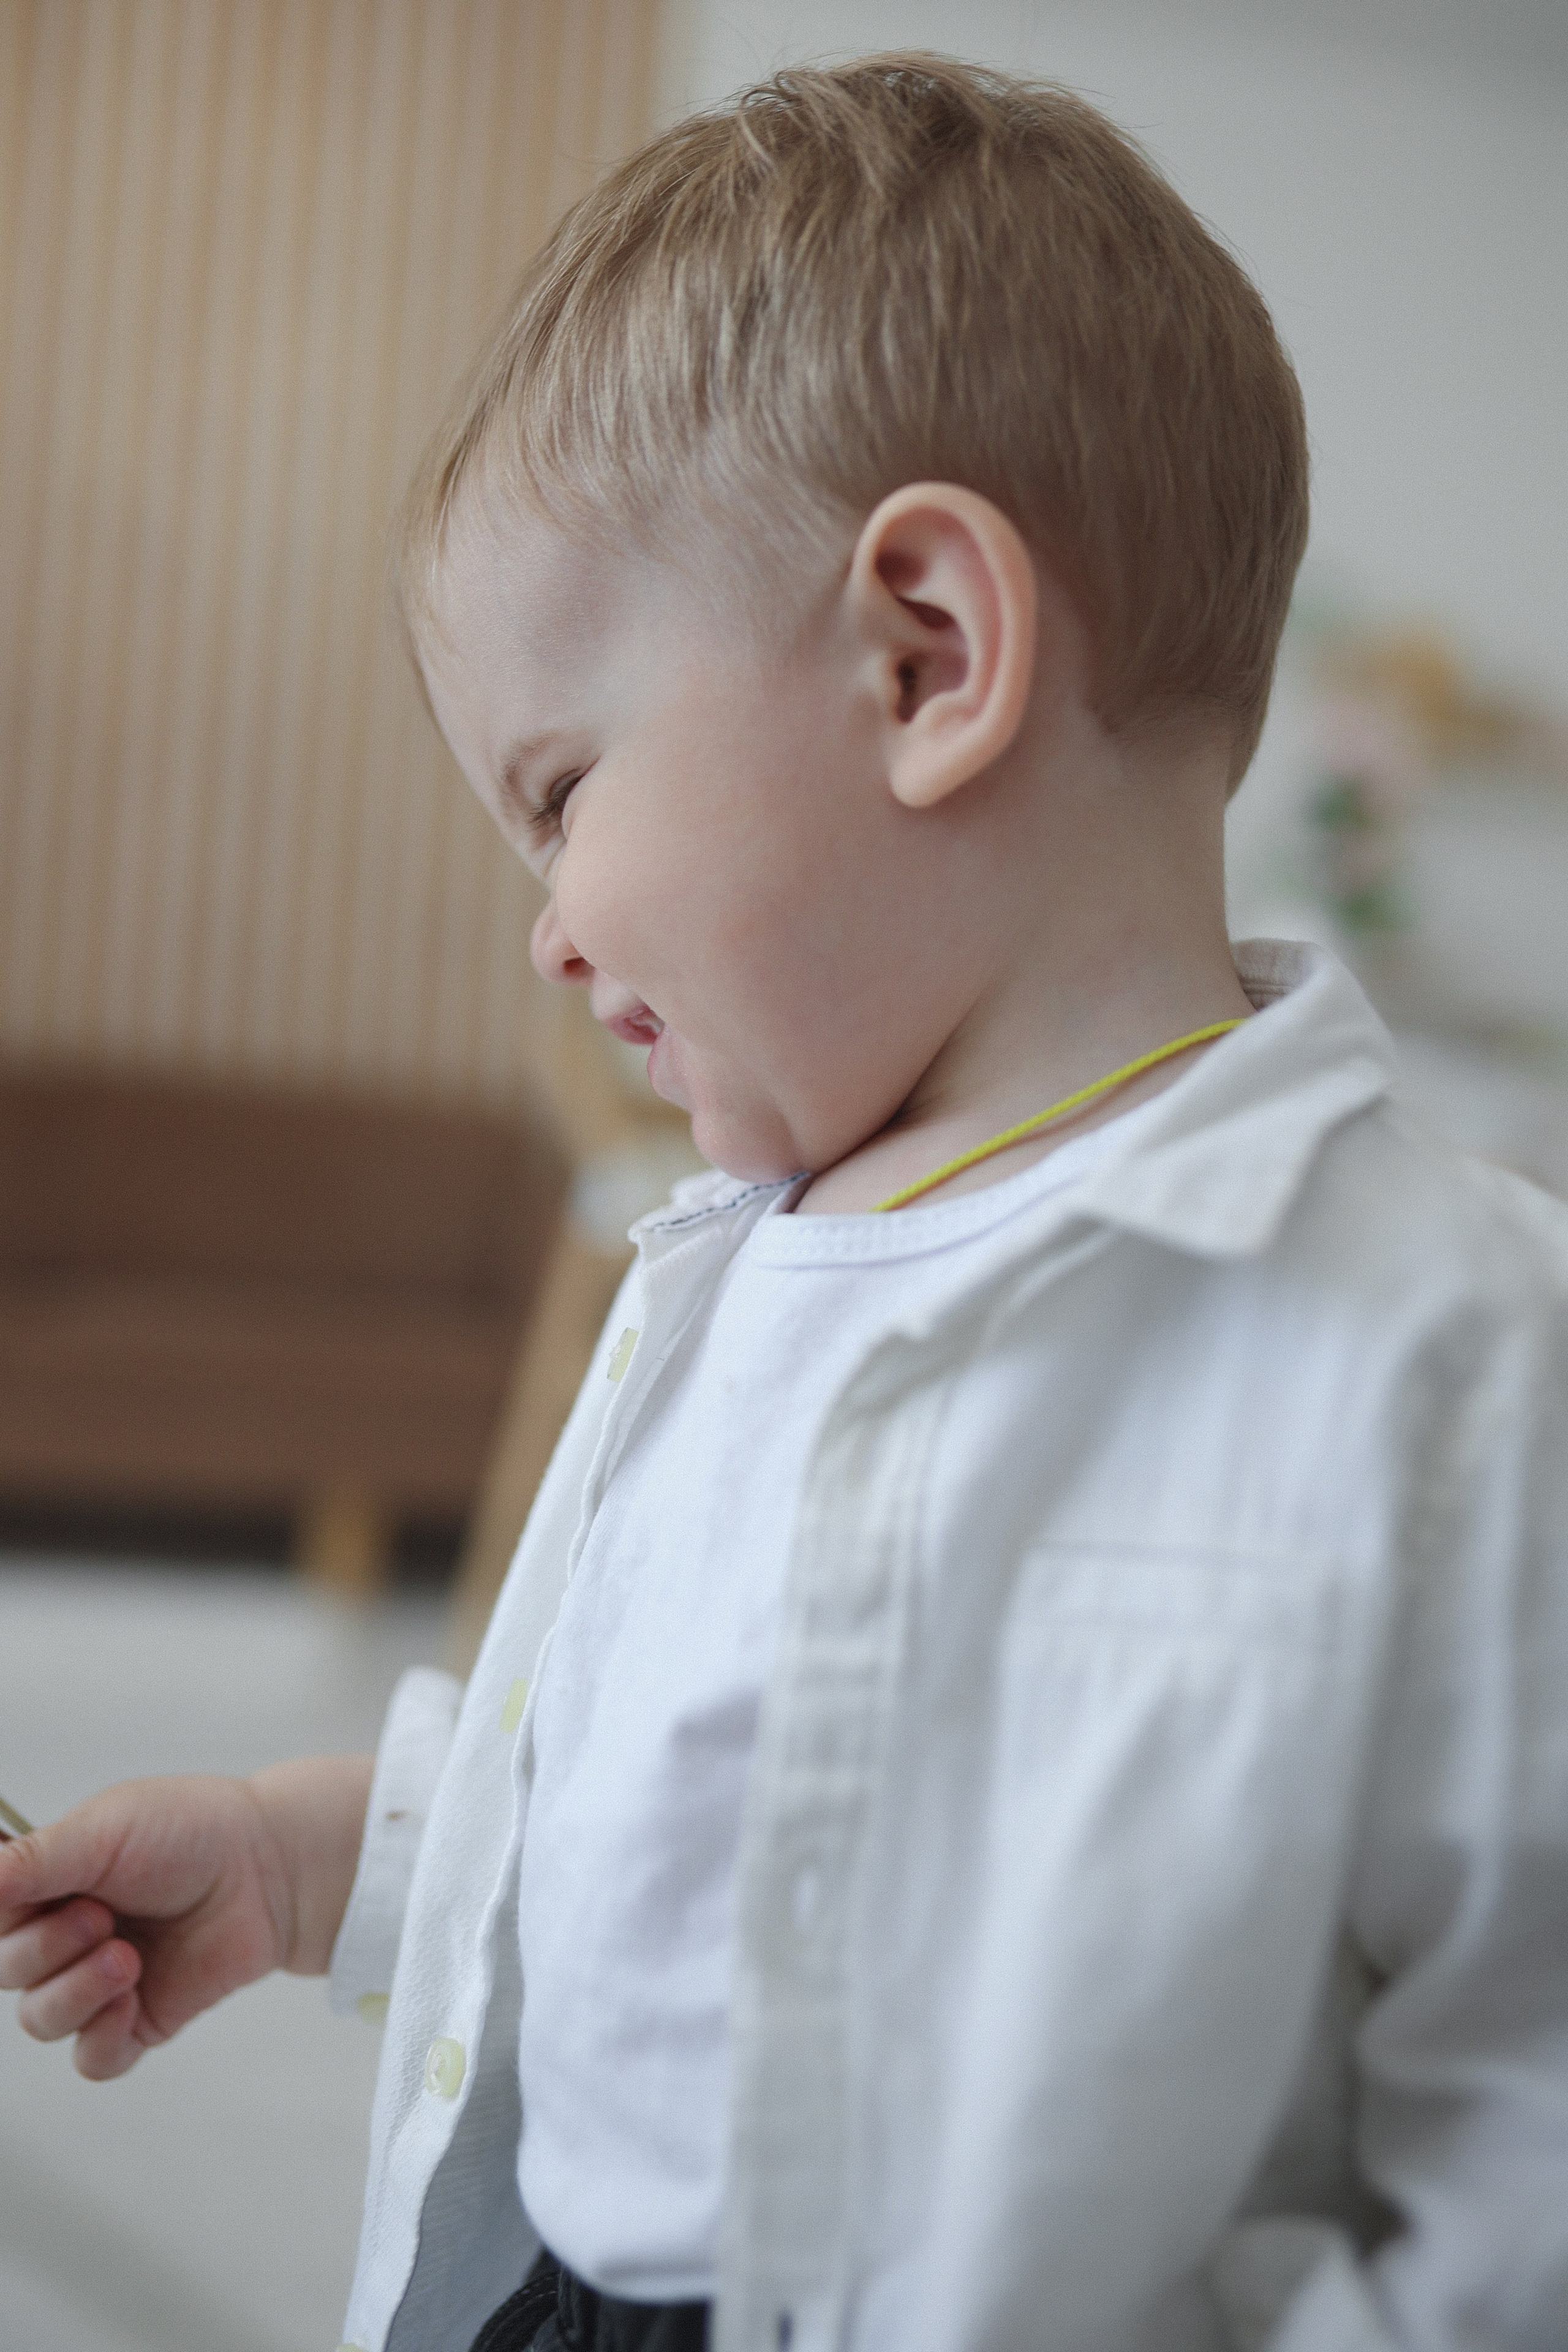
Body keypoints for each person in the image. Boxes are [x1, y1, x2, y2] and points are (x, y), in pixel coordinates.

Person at [2, 52, 1565, 2352]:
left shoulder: (1459, 1345)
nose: (548, 931)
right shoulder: (731, 1278)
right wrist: (318, 1857)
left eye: (562, 794)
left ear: (926, 653)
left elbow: (1524, 2138)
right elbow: (652, 1803)